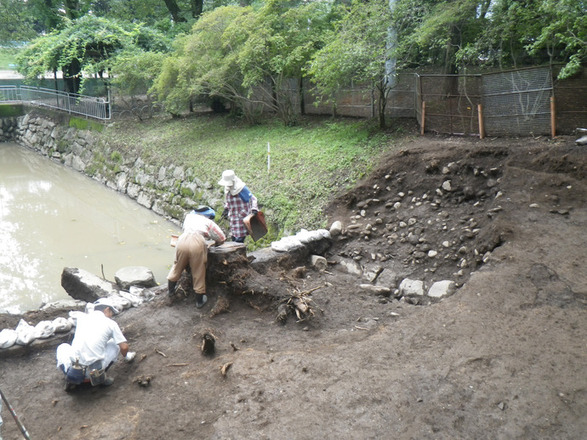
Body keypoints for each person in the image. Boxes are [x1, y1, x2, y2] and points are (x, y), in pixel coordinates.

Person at [56, 303, 132, 391]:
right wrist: (127, 357)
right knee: (114, 343)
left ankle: (70, 378)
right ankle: (100, 377)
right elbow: (124, 347)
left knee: (62, 347)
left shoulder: (81, 318)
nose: (111, 316)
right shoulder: (111, 323)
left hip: (73, 370)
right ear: (107, 310)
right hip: (92, 373)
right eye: (111, 313)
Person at [167, 206, 226, 308]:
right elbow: (221, 238)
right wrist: (216, 242)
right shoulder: (208, 222)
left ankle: (171, 291)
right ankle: (199, 301)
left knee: (177, 265)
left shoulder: (188, 217)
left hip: (182, 240)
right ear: (209, 216)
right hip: (198, 242)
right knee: (198, 270)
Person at [218, 170, 258, 243]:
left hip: (242, 217)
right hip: (233, 216)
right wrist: (226, 208)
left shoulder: (241, 188)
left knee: (239, 239)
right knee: (234, 237)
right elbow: (228, 201)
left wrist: (254, 209)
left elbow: (253, 198)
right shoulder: (227, 188)